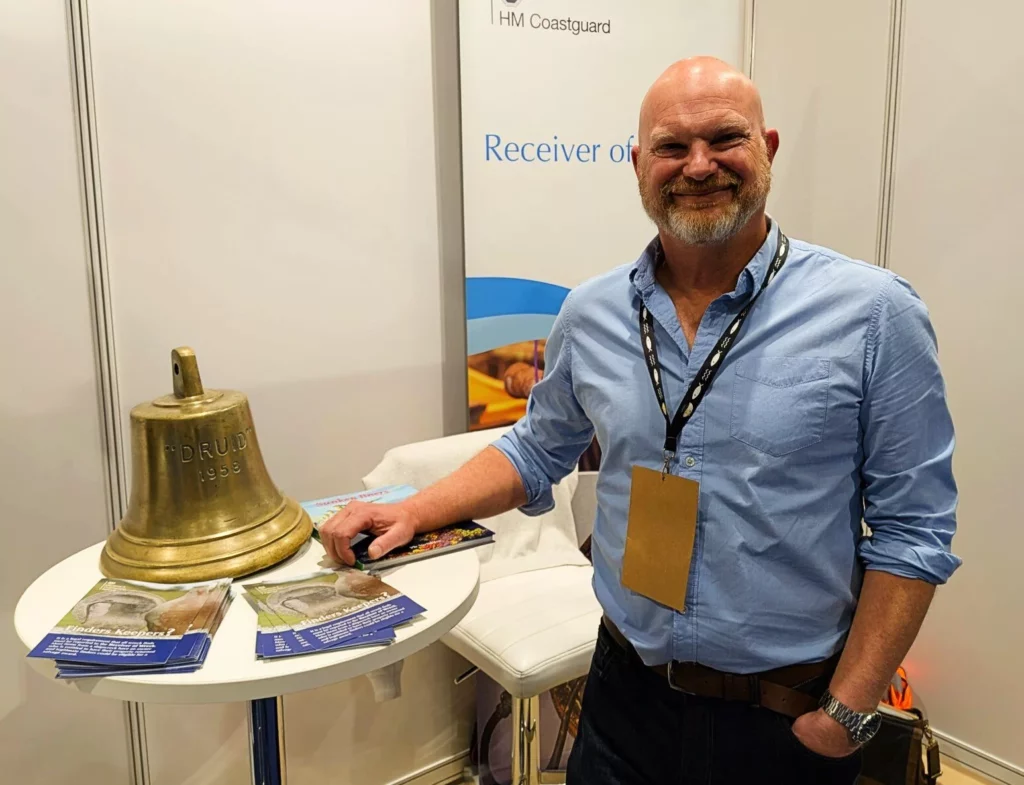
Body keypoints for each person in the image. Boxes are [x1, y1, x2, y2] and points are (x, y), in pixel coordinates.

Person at [321, 56, 960, 784]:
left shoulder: (875, 315)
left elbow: (916, 527)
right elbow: (536, 448)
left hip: (785, 717)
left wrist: (848, 710)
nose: (698, 165)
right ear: (636, 163)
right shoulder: (591, 312)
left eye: (725, 138)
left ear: (769, 148)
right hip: (625, 696)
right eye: (670, 146)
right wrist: (412, 508)